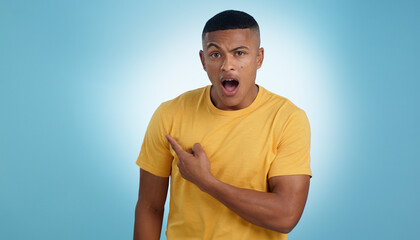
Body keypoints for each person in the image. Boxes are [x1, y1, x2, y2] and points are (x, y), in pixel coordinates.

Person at [133, 10, 312, 240]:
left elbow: (286, 215)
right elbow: (149, 207)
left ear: (259, 58)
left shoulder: (288, 119)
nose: (228, 65)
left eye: (239, 53)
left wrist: (206, 182)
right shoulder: (170, 114)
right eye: (215, 54)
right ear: (203, 61)